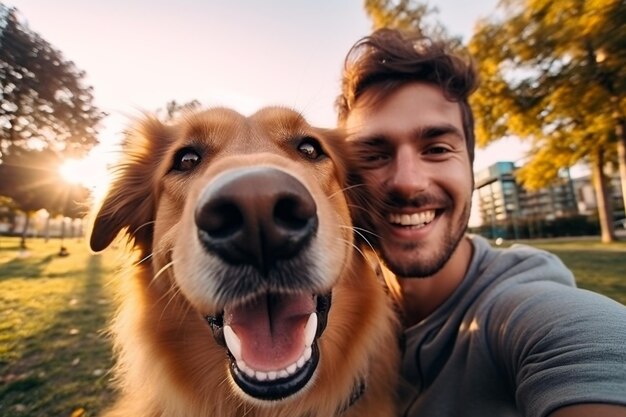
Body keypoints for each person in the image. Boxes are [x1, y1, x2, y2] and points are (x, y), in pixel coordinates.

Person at [336, 28, 626, 417]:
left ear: (469, 167)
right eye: (373, 154)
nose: (407, 181)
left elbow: (590, 347)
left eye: (437, 149)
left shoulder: (524, 312)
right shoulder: (337, 307)